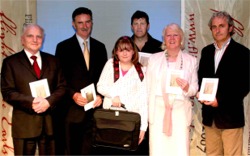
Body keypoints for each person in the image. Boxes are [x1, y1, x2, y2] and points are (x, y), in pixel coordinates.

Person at [1, 24, 66, 155]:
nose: (35, 40)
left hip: (50, 123)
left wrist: (48, 102)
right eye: (30, 36)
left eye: (39, 36)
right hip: (25, 125)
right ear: (22, 39)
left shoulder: (54, 61)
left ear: (43, 39)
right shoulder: (10, 62)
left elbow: (62, 87)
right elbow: (8, 92)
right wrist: (32, 101)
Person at [55, 7, 108, 155]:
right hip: (72, 111)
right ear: (73, 24)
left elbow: (104, 78)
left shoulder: (100, 47)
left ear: (92, 23)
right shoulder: (63, 47)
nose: (85, 26)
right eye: (80, 23)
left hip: (95, 112)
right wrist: (73, 95)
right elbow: (60, 78)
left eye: (88, 22)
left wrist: (101, 96)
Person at [197, 11, 250, 156]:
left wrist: (218, 100)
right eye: (214, 27)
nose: (217, 30)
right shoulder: (206, 52)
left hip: (231, 118)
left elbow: (243, 86)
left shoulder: (243, 53)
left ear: (231, 28)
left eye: (221, 26)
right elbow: (201, 79)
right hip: (210, 117)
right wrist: (199, 92)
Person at [146, 23, 198, 156]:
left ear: (181, 39)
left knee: (179, 150)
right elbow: (147, 87)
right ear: (164, 39)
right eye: (168, 35)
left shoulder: (191, 60)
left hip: (180, 112)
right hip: (158, 112)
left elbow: (194, 88)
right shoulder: (154, 59)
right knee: (158, 149)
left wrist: (187, 87)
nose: (172, 38)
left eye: (175, 35)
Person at [97, 36, 148, 155]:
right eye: (121, 50)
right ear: (116, 52)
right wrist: (113, 95)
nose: (125, 53)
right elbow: (100, 86)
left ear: (133, 51)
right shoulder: (110, 64)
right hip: (110, 119)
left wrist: (143, 127)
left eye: (128, 49)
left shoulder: (141, 70)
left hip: (130, 121)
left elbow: (143, 99)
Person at [131, 10, 162, 154]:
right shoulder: (125, 46)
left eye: (142, 23)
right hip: (129, 100)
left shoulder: (159, 47)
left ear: (148, 26)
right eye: (136, 24)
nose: (139, 27)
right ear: (131, 26)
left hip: (152, 99)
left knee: (148, 142)